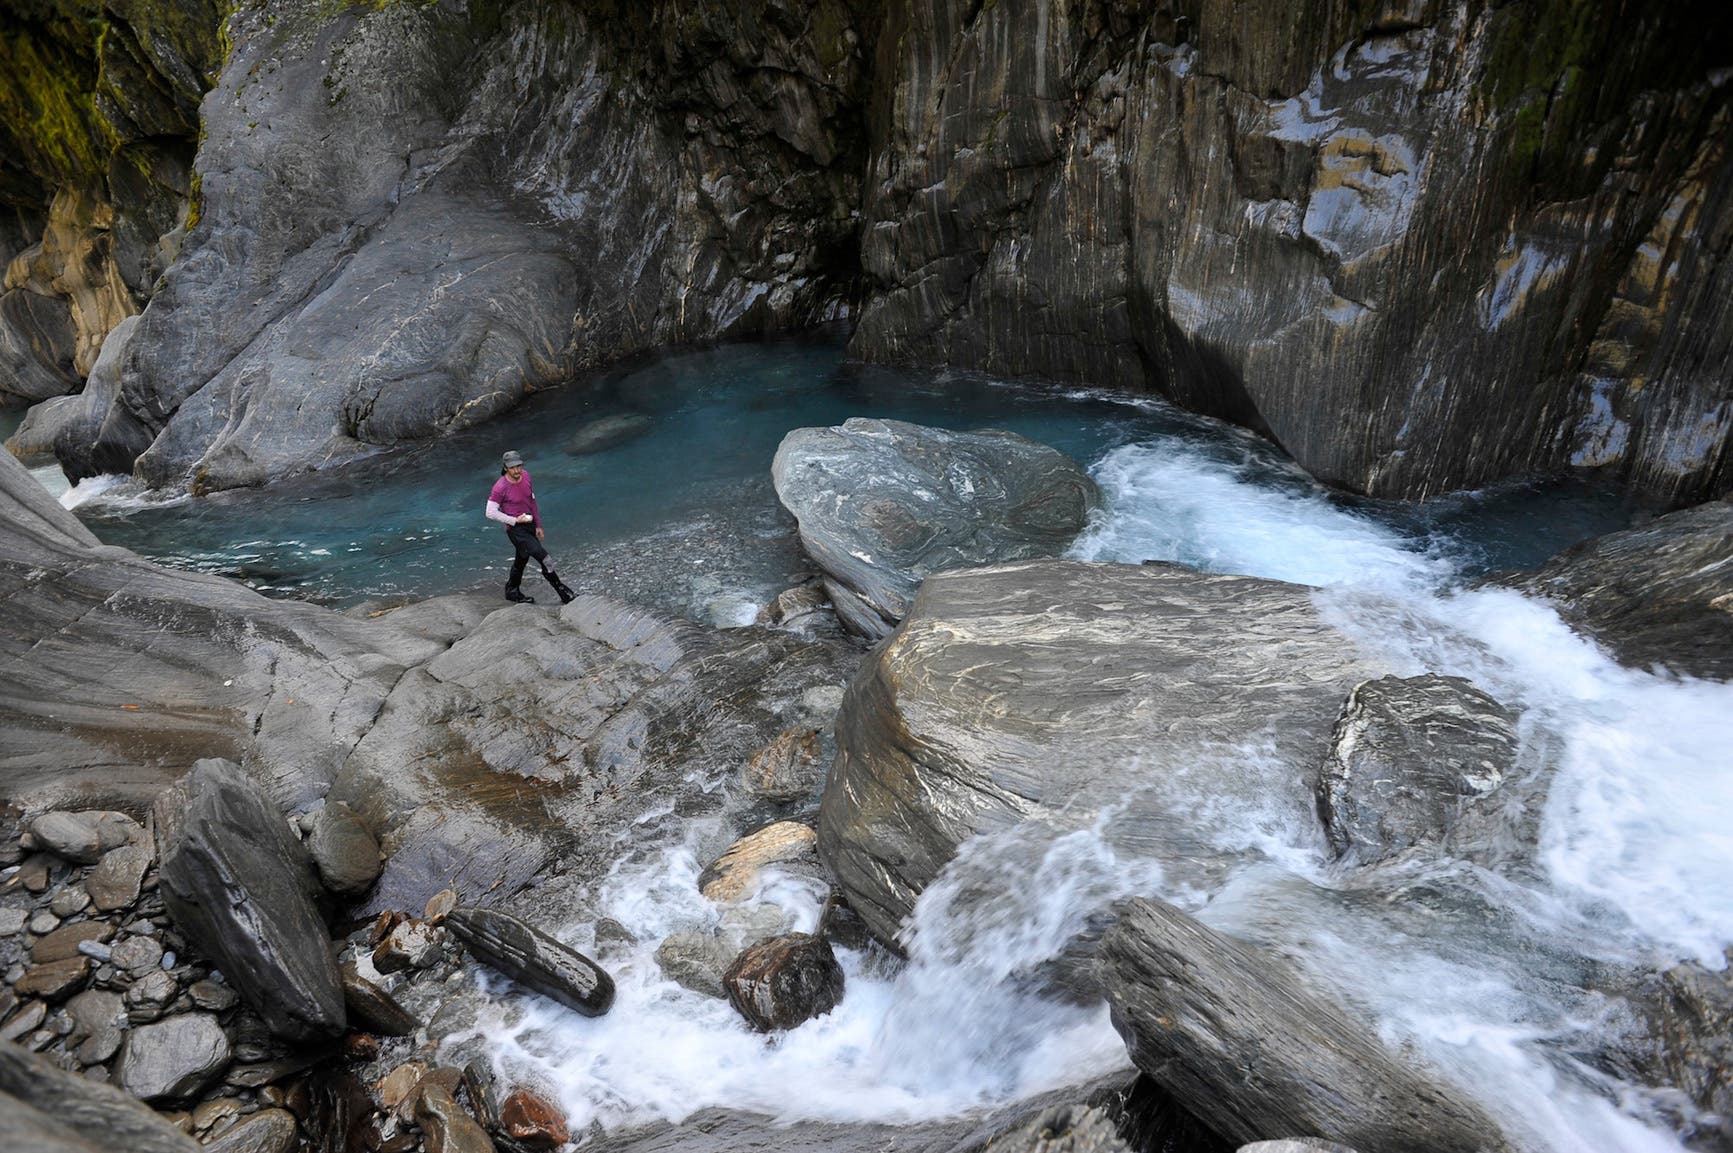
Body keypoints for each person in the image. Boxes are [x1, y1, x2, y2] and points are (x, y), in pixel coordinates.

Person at [485, 450, 576, 604]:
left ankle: (512, 591)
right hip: (516, 530)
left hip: (530, 525)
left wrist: (538, 525)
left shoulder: (526, 476)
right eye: (512, 468)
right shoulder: (500, 487)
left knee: (522, 558)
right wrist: (514, 520)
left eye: (518, 466)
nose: (516, 470)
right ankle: (564, 593)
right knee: (545, 559)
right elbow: (490, 512)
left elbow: (531, 501)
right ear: (505, 468)